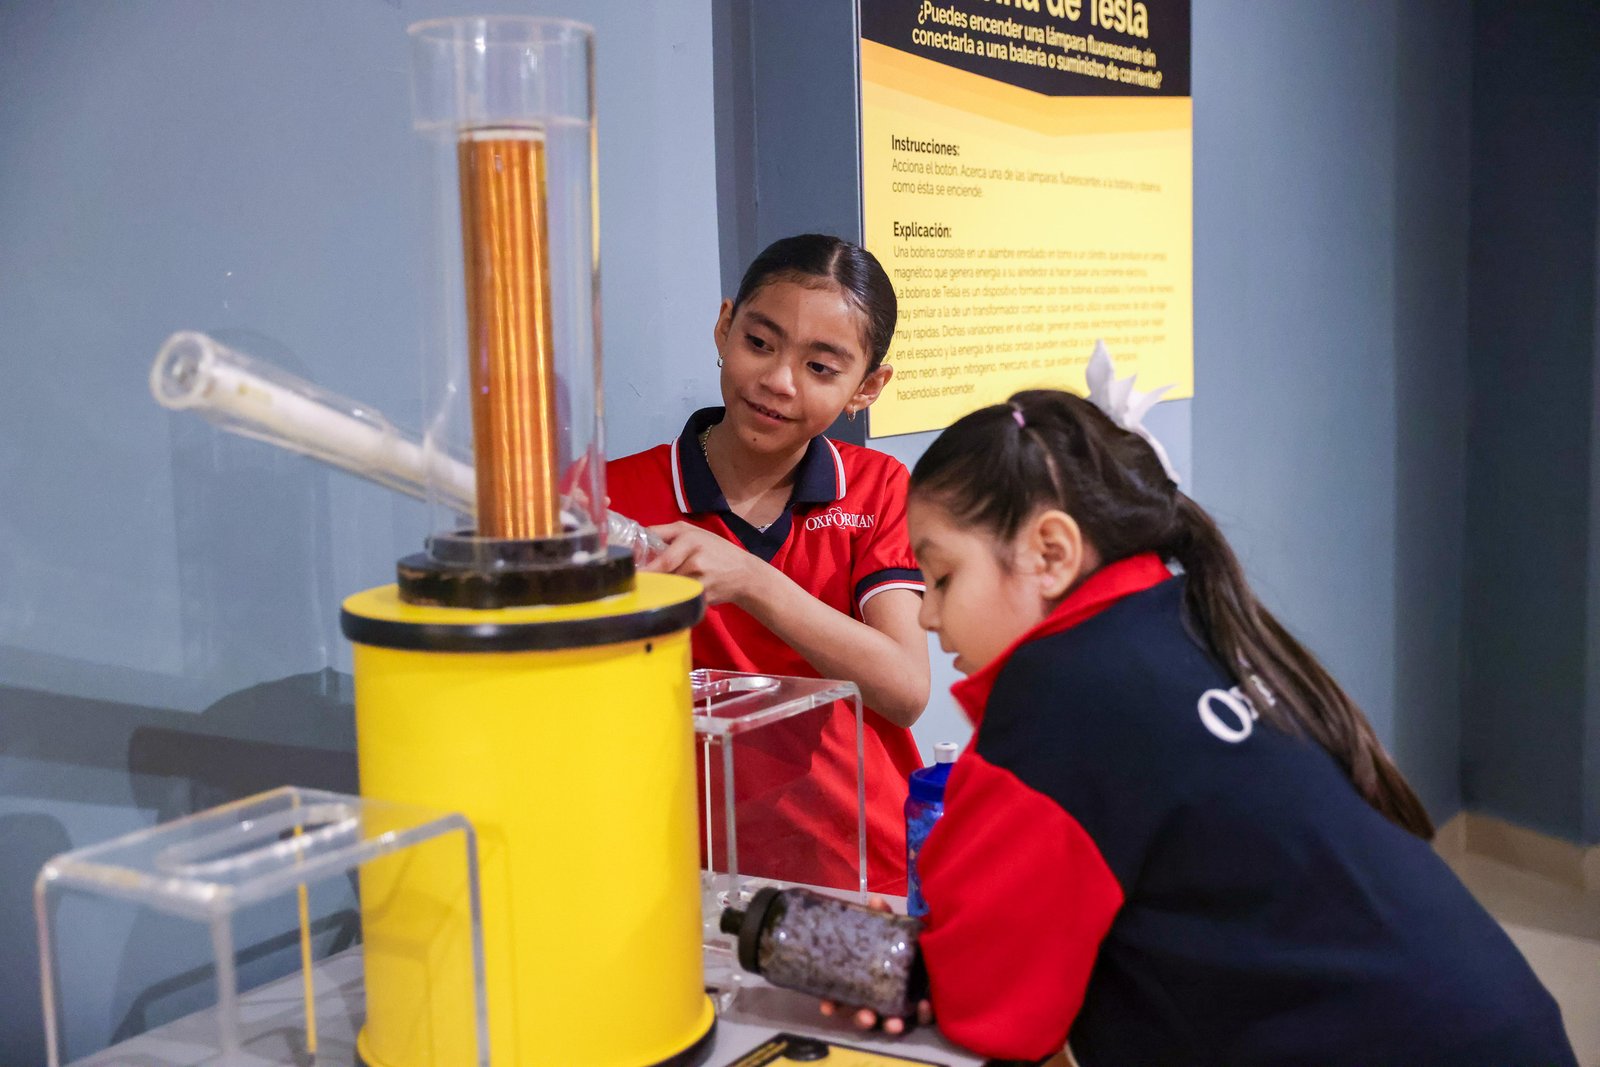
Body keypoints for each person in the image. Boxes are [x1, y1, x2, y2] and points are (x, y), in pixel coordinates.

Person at [844, 388, 1574, 1065]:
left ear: (1051, 553)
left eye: (941, 579)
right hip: (1498, 1021)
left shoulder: (1062, 693)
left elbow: (992, 1010)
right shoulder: (1182, 619)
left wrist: (897, 958)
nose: (930, 615)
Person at [607, 234, 929, 893]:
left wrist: (752, 579)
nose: (778, 380)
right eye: (760, 342)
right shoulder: (610, 496)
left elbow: (903, 688)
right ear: (725, 327)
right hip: (676, 867)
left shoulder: (876, 488)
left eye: (821, 367)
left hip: (858, 862)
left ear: (867, 387)